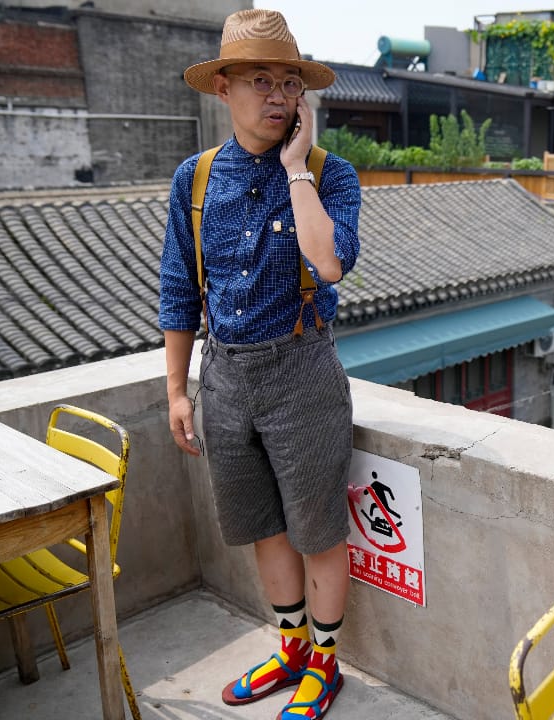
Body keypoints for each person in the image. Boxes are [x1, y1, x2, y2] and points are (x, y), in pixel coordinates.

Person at [158, 10, 360, 719]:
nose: (277, 97)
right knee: (262, 525)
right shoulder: (195, 178)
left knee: (316, 528)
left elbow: (329, 264)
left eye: (288, 83)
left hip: (302, 372)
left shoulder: (331, 174)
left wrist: (296, 169)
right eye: (260, 81)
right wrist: (178, 390)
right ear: (223, 87)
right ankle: (292, 648)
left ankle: (326, 664)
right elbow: (180, 289)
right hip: (223, 374)